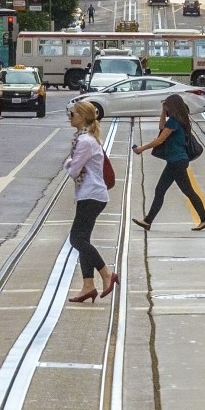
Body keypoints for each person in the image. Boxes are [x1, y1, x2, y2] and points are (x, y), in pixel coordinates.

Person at [132, 94, 205, 233]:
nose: (166, 108)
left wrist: (141, 148)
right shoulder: (179, 120)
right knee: (167, 190)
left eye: (168, 106)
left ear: (173, 106)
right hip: (176, 161)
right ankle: (148, 221)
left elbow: (160, 140)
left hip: (176, 161)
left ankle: (204, 219)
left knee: (179, 191)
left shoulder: (174, 122)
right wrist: (163, 111)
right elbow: (161, 126)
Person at [63, 100, 118, 303]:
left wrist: (67, 162)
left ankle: (106, 274)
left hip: (92, 195)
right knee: (83, 239)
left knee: (76, 240)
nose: (71, 117)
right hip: (90, 194)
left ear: (83, 117)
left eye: (74, 114)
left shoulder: (85, 141)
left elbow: (73, 170)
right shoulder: (84, 139)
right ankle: (88, 285)